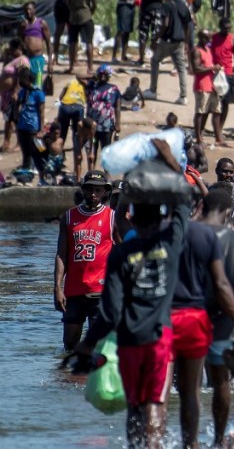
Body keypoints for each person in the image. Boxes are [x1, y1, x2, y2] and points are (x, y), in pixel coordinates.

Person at [72, 140, 192, 449]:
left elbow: (110, 311)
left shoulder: (121, 253)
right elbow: (183, 202)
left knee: (135, 406)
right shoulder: (172, 245)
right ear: (162, 219)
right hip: (160, 337)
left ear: (132, 220)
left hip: (127, 341)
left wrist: (87, 345)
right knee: (155, 404)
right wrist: (168, 160)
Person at [170, 190, 234, 449]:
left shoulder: (180, 231)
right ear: (228, 212)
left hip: (178, 314)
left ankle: (185, 442)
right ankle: (217, 440)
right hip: (219, 318)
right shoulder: (232, 238)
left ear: (201, 205)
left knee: (183, 386)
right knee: (220, 380)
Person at [53, 170, 117, 351]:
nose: (93, 194)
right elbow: (61, 254)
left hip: (100, 292)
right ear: (84, 190)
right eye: (89, 189)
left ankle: (92, 378)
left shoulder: (112, 217)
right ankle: (68, 379)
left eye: (98, 190)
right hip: (73, 291)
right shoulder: (69, 217)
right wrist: (58, 287)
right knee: (70, 344)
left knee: (99, 346)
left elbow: (123, 253)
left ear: (105, 192)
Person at [144, 0, 191, 104]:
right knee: (181, 68)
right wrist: (185, 41)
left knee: (155, 60)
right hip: (179, 40)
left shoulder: (167, 5)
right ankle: (183, 96)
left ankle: (152, 90)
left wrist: (155, 39)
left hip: (168, 40)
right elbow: (187, 25)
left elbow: (165, 24)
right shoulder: (183, 5)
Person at [190, 29, 224, 148]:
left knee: (216, 111)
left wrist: (215, 69)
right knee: (200, 112)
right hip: (201, 86)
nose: (210, 40)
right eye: (208, 38)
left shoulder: (208, 50)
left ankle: (218, 138)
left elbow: (209, 66)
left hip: (212, 85)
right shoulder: (196, 50)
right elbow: (196, 69)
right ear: (202, 38)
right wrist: (211, 68)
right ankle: (199, 138)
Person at [13, 67, 46, 178]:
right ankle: (26, 172)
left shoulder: (38, 93)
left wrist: (41, 129)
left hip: (34, 127)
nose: (20, 81)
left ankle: (42, 170)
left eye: (22, 79)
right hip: (22, 126)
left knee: (39, 150)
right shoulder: (22, 92)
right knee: (25, 152)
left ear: (28, 78)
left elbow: (41, 112)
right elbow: (18, 107)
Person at [66, 0, 97, 75]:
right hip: (85, 15)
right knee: (88, 42)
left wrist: (72, 10)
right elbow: (94, 4)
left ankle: (71, 66)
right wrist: (90, 13)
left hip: (73, 16)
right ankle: (90, 68)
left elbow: (67, 1)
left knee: (72, 42)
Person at [210, 17, 234, 134]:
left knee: (225, 103)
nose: (227, 31)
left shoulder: (233, 40)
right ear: (220, 27)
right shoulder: (213, 38)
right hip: (214, 74)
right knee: (213, 102)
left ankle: (220, 128)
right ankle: (216, 128)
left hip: (228, 75)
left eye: (229, 28)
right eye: (225, 28)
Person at [85, 65, 121, 160]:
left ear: (109, 76)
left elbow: (117, 107)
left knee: (106, 150)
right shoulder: (92, 86)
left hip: (107, 125)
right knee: (92, 150)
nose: (103, 76)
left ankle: (107, 173)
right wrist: (94, 75)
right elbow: (79, 76)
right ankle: (91, 172)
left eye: (105, 74)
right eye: (101, 74)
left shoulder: (114, 89)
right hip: (92, 124)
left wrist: (118, 123)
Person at [20, 1, 50, 87]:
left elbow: (48, 43)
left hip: (38, 60)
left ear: (34, 10)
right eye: (26, 10)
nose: (28, 12)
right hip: (26, 59)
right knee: (25, 83)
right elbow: (19, 41)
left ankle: (37, 99)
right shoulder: (22, 25)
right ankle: (28, 100)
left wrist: (50, 63)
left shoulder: (41, 23)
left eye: (29, 9)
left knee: (37, 84)